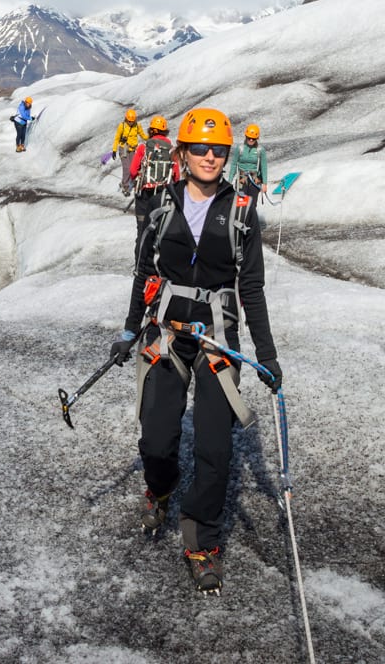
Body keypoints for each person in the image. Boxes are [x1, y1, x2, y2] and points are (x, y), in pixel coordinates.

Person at [110, 107, 281, 595]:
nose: (210, 156)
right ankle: (159, 487)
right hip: (165, 332)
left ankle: (201, 538)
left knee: (215, 450)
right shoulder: (161, 206)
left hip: (219, 340)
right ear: (181, 152)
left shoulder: (241, 212)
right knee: (157, 440)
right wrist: (128, 330)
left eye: (219, 149)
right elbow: (144, 272)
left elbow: (252, 288)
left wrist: (266, 355)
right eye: (201, 148)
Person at [126, 114, 179, 249]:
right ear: (165, 131)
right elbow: (176, 176)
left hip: (144, 194)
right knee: (161, 229)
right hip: (163, 194)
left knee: (142, 229)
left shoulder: (143, 148)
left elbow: (132, 171)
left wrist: (138, 179)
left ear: (151, 131)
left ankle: (140, 264)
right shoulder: (172, 150)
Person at [225, 123, 268, 200]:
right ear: (246, 136)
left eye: (253, 138)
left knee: (252, 204)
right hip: (242, 179)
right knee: (241, 202)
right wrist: (230, 181)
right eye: (249, 138)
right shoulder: (240, 148)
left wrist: (264, 183)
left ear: (257, 138)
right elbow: (234, 164)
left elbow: (263, 167)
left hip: (255, 180)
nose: (251, 140)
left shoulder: (260, 150)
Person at [111, 109, 146, 195]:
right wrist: (114, 150)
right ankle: (125, 186)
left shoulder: (137, 126)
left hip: (133, 149)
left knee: (133, 168)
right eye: (129, 121)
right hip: (124, 148)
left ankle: (128, 182)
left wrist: (153, 138)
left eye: (132, 121)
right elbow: (116, 138)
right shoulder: (122, 126)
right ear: (126, 119)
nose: (130, 122)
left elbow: (143, 135)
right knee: (126, 168)